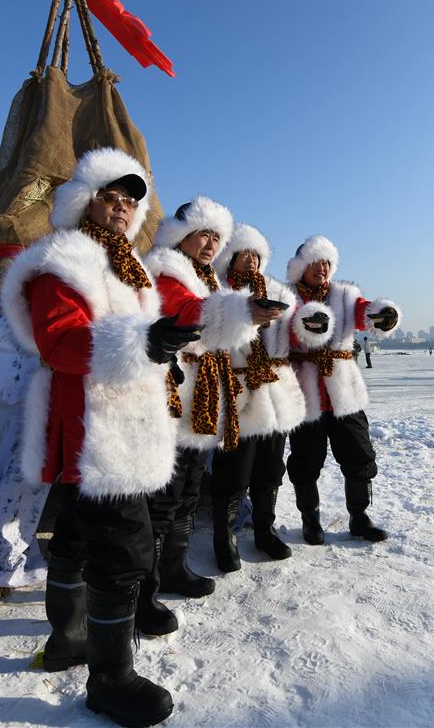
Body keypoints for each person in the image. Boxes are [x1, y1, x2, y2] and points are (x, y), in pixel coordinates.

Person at [1, 148, 200, 728]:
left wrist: (163, 343)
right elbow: (60, 341)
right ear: (85, 203)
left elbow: (146, 333)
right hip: (96, 428)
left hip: (124, 420)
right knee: (123, 549)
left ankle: (67, 640)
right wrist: (141, 342)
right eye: (110, 197)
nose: (122, 208)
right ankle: (110, 680)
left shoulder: (128, 266)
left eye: (131, 201)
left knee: (75, 536)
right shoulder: (63, 260)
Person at [144, 199, 277, 604]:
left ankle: (174, 568)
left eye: (217, 238)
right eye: (204, 234)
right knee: (165, 493)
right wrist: (239, 309)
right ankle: (147, 584)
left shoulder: (208, 279)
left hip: (203, 393)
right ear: (182, 235)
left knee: (187, 488)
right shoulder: (167, 270)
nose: (210, 244)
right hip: (176, 393)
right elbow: (185, 311)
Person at [210, 223, 317, 571]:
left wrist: (312, 326)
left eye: (256, 255)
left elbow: (297, 332)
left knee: (270, 468)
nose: (251, 261)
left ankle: (264, 530)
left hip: (275, 389)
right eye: (244, 255)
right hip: (238, 389)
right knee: (233, 471)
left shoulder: (278, 291)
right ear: (231, 258)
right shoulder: (218, 291)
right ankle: (224, 538)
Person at [285, 235, 400, 545]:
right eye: (314, 262)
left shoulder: (345, 295)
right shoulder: (288, 296)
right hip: (306, 391)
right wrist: (305, 329)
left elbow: (364, 312)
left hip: (344, 391)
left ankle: (359, 517)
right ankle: (310, 519)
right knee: (306, 460)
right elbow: (282, 333)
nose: (321, 268)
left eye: (326, 262)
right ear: (300, 267)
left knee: (359, 454)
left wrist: (382, 315)